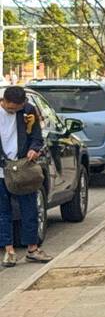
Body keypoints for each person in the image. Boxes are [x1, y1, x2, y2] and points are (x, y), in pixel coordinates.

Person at [0, 85, 51, 266]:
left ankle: (32, 248)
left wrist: (33, 149)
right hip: (2, 170)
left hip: (23, 168)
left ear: (23, 104)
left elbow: (37, 136)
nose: (13, 111)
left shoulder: (28, 111)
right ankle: (9, 250)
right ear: (4, 101)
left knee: (29, 209)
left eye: (17, 108)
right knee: (3, 212)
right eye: (10, 107)